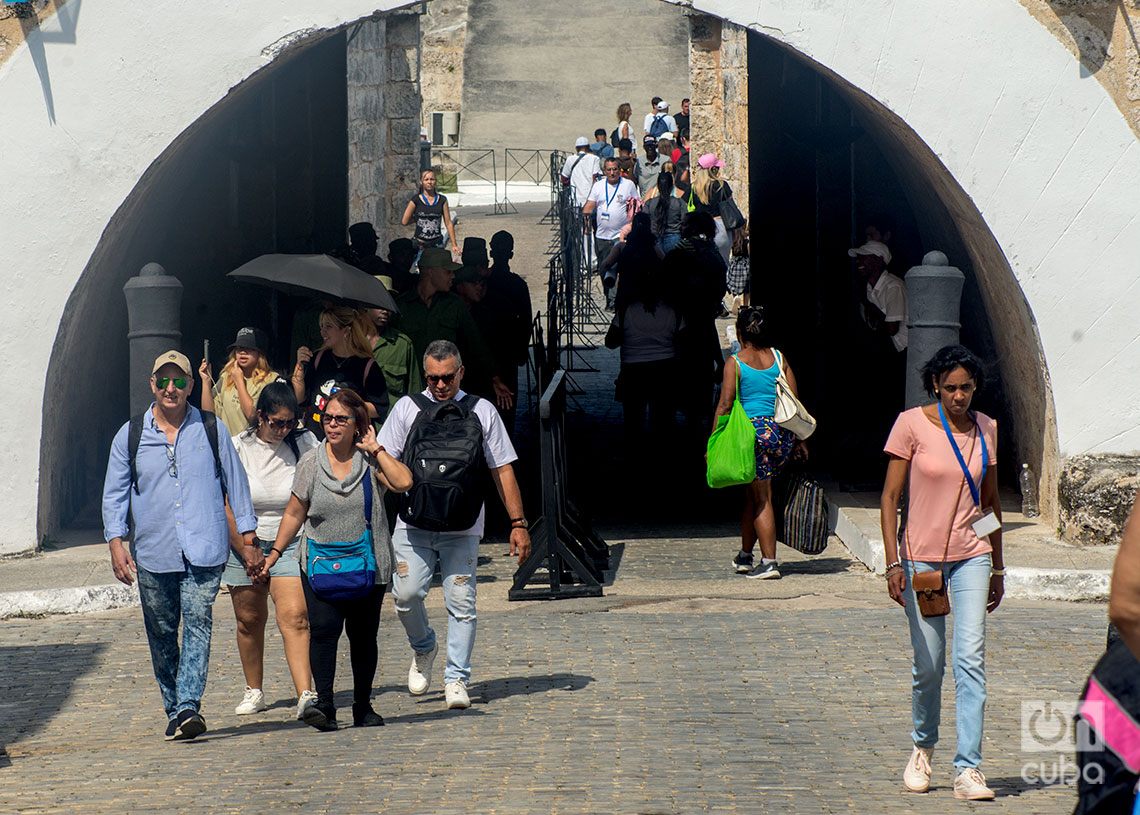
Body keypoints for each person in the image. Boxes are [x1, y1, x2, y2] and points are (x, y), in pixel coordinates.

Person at [102, 350, 257, 741]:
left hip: (204, 545)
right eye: (164, 381)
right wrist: (116, 542)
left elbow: (235, 482)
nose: (172, 389)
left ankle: (189, 705)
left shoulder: (211, 427)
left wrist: (249, 533)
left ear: (191, 385)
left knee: (198, 622)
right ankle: (173, 706)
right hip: (154, 549)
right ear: (153, 385)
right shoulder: (131, 434)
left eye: (180, 381)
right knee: (161, 631)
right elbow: (115, 492)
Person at [378, 340, 532, 710]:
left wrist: (518, 522)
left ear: (461, 372)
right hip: (413, 523)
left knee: (462, 603)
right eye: (432, 378)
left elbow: (502, 468)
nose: (440, 385)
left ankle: (456, 678)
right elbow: (382, 461)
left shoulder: (482, 410)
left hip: (462, 525)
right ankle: (424, 646)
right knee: (406, 595)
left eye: (447, 377)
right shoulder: (407, 408)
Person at [879, 345, 1003, 801]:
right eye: (950, 387)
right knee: (929, 664)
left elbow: (988, 504)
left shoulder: (986, 428)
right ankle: (922, 747)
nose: (958, 396)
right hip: (921, 561)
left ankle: (969, 768)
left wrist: (998, 566)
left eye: (966, 387)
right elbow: (890, 498)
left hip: (972, 556)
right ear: (935, 385)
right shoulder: (910, 424)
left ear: (975, 388)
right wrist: (893, 561)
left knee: (971, 660)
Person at [269, 388, 412, 731]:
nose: (331, 425)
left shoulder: (370, 460)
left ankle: (363, 706)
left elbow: (403, 482)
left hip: (368, 563)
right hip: (321, 562)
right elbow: (294, 512)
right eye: (327, 418)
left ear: (356, 424)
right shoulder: (310, 462)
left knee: (364, 636)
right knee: (324, 631)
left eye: (339, 419)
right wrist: (275, 553)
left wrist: (375, 447)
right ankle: (327, 705)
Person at [222, 383, 320, 721]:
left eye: (290, 423)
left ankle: (306, 692)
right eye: (277, 423)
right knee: (249, 619)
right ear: (260, 416)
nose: (283, 430)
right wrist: (247, 549)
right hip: (246, 541)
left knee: (294, 615)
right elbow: (227, 504)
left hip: (292, 539)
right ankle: (254, 689)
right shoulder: (238, 447)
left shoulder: (305, 442)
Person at [716, 308, 806, 579]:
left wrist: (714, 440)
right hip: (780, 436)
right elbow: (794, 403)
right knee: (753, 496)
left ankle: (769, 562)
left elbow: (725, 403)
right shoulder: (779, 358)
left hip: (753, 438)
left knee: (762, 499)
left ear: (740, 333)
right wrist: (801, 440)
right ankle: (745, 555)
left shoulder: (735, 362)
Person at [394, 248, 512, 410]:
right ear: (431, 272)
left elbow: (476, 343)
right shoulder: (402, 307)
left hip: (446, 391)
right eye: (448, 271)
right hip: (413, 393)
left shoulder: (454, 305)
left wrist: (495, 379)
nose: (453, 276)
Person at [606, 215, 677, 451]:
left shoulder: (622, 248)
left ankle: (635, 457)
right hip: (664, 367)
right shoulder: (655, 250)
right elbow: (668, 267)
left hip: (632, 363)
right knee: (662, 420)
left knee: (633, 422)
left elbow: (611, 342)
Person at [664, 212, 727, 444]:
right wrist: (720, 362)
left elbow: (667, 282)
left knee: (679, 374)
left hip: (680, 325)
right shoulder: (712, 252)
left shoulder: (680, 250)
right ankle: (698, 425)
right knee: (701, 377)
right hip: (703, 322)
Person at [292, 306, 389, 439]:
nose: (322, 332)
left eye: (328, 327)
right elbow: (299, 399)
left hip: (350, 442)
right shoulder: (318, 359)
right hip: (315, 438)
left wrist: (347, 406)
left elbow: (379, 409)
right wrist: (299, 366)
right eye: (321, 327)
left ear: (346, 330)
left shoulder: (367, 366)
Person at [198, 327, 282, 436]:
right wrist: (206, 381)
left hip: (254, 447)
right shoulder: (227, 376)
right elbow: (209, 415)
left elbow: (253, 418)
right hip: (228, 447)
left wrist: (239, 382)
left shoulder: (271, 380)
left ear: (260, 352)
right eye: (239, 348)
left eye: (249, 348)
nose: (243, 352)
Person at [583, 157, 638, 310]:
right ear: (604, 171)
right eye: (609, 170)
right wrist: (587, 223)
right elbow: (588, 207)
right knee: (604, 268)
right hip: (602, 235)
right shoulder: (598, 186)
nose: (613, 173)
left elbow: (636, 206)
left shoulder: (628, 185)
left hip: (620, 235)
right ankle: (609, 298)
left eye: (615, 169)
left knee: (618, 268)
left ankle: (616, 301)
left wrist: (631, 225)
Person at [364, 282, 423, 403]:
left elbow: (414, 391)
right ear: (365, 304)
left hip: (391, 419)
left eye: (388, 302)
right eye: (379, 302)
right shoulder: (349, 340)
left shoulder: (402, 344)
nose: (385, 310)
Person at [689, 153, 735, 264]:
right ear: (713, 170)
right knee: (724, 265)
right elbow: (731, 207)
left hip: (701, 229)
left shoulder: (694, 188)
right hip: (720, 228)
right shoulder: (722, 185)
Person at [402, 169, 458, 251]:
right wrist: (418, 218)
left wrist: (454, 244)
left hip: (437, 243)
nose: (429, 182)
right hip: (420, 244)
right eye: (426, 179)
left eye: (432, 179)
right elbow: (405, 221)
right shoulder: (416, 200)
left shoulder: (442, 200)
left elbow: (448, 222)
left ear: (435, 181)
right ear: (421, 182)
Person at [642, 171, 685, 254]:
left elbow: (644, 222)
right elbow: (685, 222)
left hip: (654, 239)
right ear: (672, 186)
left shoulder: (649, 203)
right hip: (675, 239)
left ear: (657, 186)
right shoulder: (679, 203)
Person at [559, 136, 602, 210]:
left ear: (576, 148)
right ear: (588, 147)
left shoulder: (570, 159)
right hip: (590, 198)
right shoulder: (595, 159)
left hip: (575, 198)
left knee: (576, 219)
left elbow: (564, 178)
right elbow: (596, 178)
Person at [726, 224, 751, 312]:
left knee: (734, 285)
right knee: (746, 288)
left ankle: (735, 298)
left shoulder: (734, 242)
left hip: (735, 266)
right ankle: (745, 305)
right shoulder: (747, 243)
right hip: (744, 267)